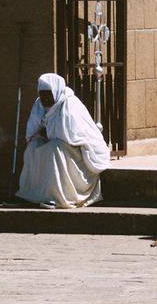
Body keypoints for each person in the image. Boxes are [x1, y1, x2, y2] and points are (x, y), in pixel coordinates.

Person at [16, 73, 110, 208]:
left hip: (74, 151)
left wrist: (48, 132)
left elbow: (71, 136)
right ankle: (31, 194)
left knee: (55, 148)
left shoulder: (70, 104)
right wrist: (41, 135)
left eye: (48, 94)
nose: (44, 98)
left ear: (56, 91)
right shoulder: (39, 104)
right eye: (41, 94)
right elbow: (32, 131)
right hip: (53, 144)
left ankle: (57, 197)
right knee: (32, 147)